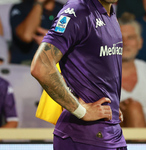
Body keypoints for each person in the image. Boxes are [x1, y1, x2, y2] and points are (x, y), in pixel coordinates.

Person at [31, 0, 127, 149]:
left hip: (109, 133)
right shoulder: (78, 11)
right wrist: (81, 111)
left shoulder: (110, 13)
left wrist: (112, 104)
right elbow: (41, 66)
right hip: (83, 136)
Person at [9, 0, 63, 65]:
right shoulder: (21, 8)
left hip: (56, 65)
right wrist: (39, 3)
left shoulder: (66, 9)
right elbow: (26, 36)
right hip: (26, 64)